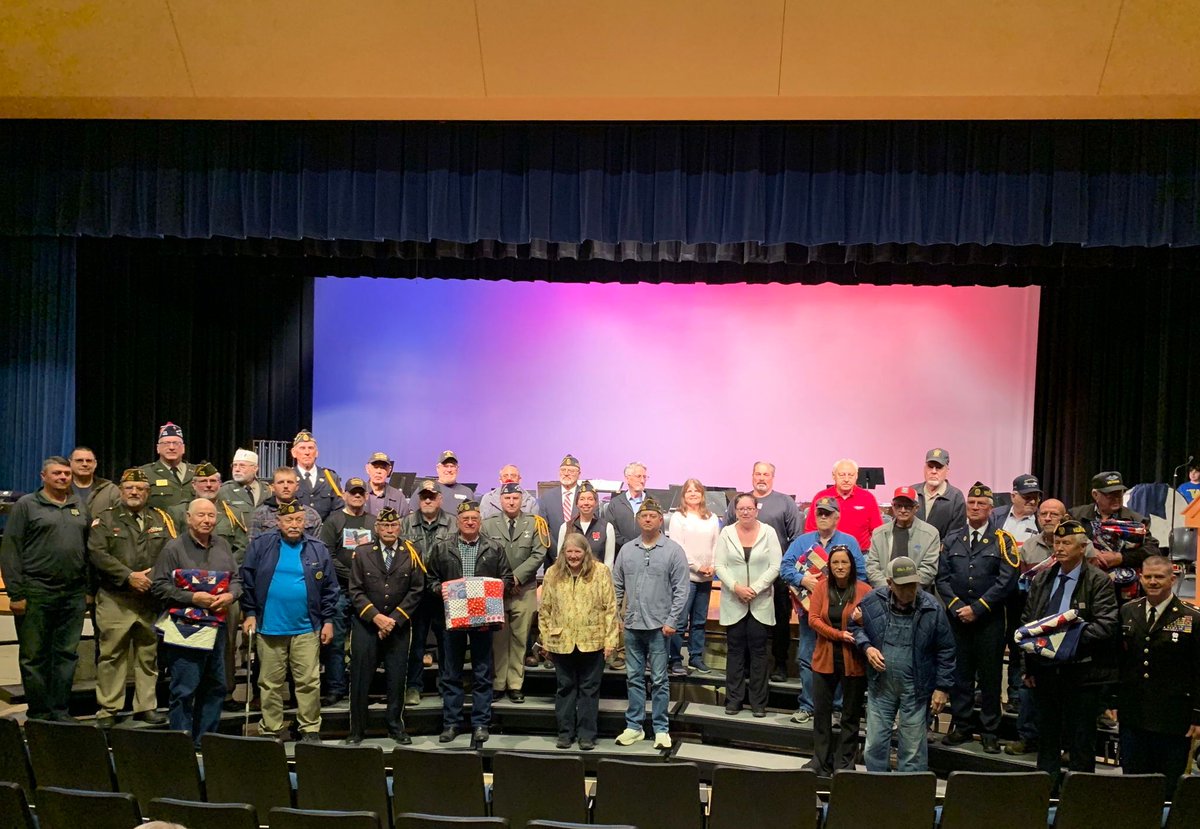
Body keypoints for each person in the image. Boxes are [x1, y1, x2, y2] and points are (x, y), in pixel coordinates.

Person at [1020, 519, 1119, 790]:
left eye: (1067, 543)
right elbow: (1029, 621)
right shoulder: (1043, 578)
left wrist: (1065, 641)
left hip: (1083, 673)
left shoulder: (1098, 580)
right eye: (1057, 543)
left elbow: (1106, 625)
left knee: (1081, 741)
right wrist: (1028, 666)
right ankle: (1044, 794)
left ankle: (1080, 798)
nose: (1060, 548)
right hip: (1046, 671)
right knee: (1047, 738)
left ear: (1083, 548)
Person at [240, 501, 339, 742]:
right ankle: (271, 728)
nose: (294, 525)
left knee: (308, 682)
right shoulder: (262, 545)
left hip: (307, 627)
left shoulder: (317, 548)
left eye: (298, 520)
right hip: (269, 627)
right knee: (270, 683)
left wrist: (327, 620)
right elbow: (247, 580)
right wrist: (250, 613)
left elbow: (330, 589)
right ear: (279, 522)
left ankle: (310, 728)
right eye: (289, 520)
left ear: (305, 522)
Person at [0, 456, 90, 721]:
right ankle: (39, 712)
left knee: (66, 655)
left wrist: (86, 588)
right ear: (43, 476)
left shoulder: (78, 505)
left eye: (66, 474)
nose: (63, 478)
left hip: (72, 594)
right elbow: (11, 551)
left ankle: (60, 710)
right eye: (57, 474)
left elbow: (87, 549)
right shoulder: (27, 505)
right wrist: (16, 593)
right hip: (36, 591)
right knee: (34, 657)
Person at [87, 468, 177, 727]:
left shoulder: (161, 518)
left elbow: (170, 552)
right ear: (121, 491)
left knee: (148, 656)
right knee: (111, 655)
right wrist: (128, 576)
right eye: (129, 488)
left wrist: (152, 578)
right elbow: (98, 554)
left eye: (140, 488)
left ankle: (145, 706)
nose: (134, 492)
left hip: (149, 599)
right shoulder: (105, 519)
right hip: (116, 598)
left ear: (147, 492)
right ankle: (108, 709)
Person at [936, 482, 1020, 753]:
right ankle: (962, 726)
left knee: (990, 677)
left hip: (989, 621)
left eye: (981, 504)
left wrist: (979, 607)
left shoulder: (1003, 540)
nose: (975, 507)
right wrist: (957, 605)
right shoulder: (952, 539)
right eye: (971, 503)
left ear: (990, 509)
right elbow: (942, 578)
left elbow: (1007, 580)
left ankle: (989, 731)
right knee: (961, 676)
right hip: (958, 618)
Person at [152, 498, 241, 747]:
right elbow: (159, 586)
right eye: (201, 515)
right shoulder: (173, 548)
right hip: (185, 628)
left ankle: (205, 741)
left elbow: (236, 579)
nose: (206, 520)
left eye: (211, 516)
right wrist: (193, 597)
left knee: (215, 686)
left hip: (217, 627)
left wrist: (231, 595)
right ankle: (181, 743)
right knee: (184, 689)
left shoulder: (223, 545)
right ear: (188, 518)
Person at [854, 556, 955, 772]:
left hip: (916, 688)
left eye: (913, 584)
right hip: (881, 686)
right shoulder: (873, 600)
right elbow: (856, 626)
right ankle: (876, 790)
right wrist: (867, 648)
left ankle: (908, 798)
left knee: (912, 750)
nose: (910, 591)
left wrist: (942, 688)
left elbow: (946, 649)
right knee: (874, 746)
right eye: (903, 586)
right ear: (889, 583)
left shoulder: (932, 608)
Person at [426, 500, 514, 744]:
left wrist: (493, 590)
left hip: (482, 618)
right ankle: (451, 723)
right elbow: (430, 579)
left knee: (483, 672)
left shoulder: (494, 548)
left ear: (480, 521)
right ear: (458, 521)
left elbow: (506, 577)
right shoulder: (442, 548)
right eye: (465, 519)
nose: (470, 522)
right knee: (451, 672)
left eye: (474, 518)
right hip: (453, 618)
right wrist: (442, 590)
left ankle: (480, 724)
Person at [1117, 555, 1200, 794]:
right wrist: (1112, 700)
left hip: (1173, 717)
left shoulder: (1191, 618)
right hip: (1135, 712)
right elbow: (1119, 661)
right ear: (1141, 578)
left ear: (1172, 580)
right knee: (1133, 783)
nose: (1153, 582)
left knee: (1167, 786)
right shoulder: (1128, 611)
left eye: (1159, 577)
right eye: (1148, 577)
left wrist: (1197, 715)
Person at [780, 495, 866, 724]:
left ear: (837, 516)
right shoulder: (802, 541)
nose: (823, 517)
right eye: (820, 513)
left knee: (839, 660)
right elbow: (785, 567)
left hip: (840, 615)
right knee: (807, 658)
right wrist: (802, 579)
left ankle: (836, 708)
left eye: (828, 513)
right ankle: (808, 706)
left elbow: (862, 576)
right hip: (811, 613)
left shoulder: (850, 542)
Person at [612, 498, 689, 750]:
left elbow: (681, 589)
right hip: (633, 626)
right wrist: (617, 617)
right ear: (638, 519)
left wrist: (672, 621)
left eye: (652, 516)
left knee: (659, 680)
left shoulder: (673, 550)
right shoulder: (627, 550)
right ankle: (634, 726)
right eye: (643, 515)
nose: (647, 519)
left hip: (659, 627)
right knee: (633, 678)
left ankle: (660, 729)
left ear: (660, 520)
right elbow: (617, 585)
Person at [344, 507, 424, 745]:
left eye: (394, 525)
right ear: (376, 528)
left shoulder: (412, 551)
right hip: (366, 625)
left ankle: (395, 726)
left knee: (397, 678)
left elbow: (417, 590)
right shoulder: (363, 552)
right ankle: (356, 730)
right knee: (360, 678)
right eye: (385, 526)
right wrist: (376, 617)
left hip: (398, 626)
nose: (389, 530)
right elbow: (355, 590)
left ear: (400, 527)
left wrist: (395, 619)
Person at [539, 532, 619, 751]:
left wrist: (611, 640)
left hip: (593, 640)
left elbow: (611, 608)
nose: (573, 556)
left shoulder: (601, 572)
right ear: (564, 553)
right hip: (561, 641)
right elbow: (545, 609)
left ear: (586, 552)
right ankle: (565, 733)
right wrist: (545, 639)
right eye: (569, 551)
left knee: (589, 689)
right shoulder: (552, 573)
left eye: (578, 551)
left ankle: (587, 735)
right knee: (565, 688)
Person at [725, 461, 802, 682]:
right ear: (752, 476)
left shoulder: (785, 503)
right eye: (757, 474)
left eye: (766, 474)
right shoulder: (740, 502)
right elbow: (727, 532)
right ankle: (747, 667)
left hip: (776, 575)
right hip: (743, 575)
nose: (761, 478)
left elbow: (795, 538)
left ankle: (779, 664)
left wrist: (785, 570)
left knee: (779, 620)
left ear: (772, 477)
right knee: (746, 622)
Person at [1004, 497, 1069, 755]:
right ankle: (1027, 736)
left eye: (1055, 514)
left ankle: (1065, 744)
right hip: (1035, 625)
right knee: (1029, 682)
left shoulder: (1080, 546)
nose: (1049, 518)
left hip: (1067, 628)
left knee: (1064, 692)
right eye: (1044, 514)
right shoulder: (1029, 548)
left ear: (1064, 517)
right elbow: (1019, 590)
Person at [806, 546, 871, 776]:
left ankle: (844, 763)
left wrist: (862, 622)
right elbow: (813, 620)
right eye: (835, 563)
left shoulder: (865, 590)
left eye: (844, 562)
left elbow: (873, 624)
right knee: (821, 713)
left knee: (850, 715)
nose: (840, 567)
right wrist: (838, 635)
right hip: (824, 659)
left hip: (853, 661)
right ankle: (820, 760)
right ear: (829, 566)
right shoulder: (821, 588)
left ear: (852, 565)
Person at [481, 483, 549, 703]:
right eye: (507, 498)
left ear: (522, 500)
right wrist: (505, 581)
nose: (511, 502)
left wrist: (516, 577)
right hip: (497, 591)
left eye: (515, 498)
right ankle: (499, 683)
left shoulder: (534, 523)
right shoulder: (488, 525)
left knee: (520, 638)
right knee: (499, 640)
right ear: (501, 500)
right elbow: (484, 553)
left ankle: (516, 684)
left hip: (524, 589)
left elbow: (539, 553)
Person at [717, 493, 782, 717]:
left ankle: (758, 703)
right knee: (734, 652)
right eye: (741, 508)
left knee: (759, 654)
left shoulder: (769, 532)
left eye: (749, 508)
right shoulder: (726, 533)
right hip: (734, 600)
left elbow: (775, 566)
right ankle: (733, 700)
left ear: (756, 510)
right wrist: (737, 588)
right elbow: (719, 566)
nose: (745, 512)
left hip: (760, 601)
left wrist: (754, 588)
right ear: (735, 511)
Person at [317, 477, 376, 706]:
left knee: (364, 643)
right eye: (353, 492)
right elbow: (327, 556)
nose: (357, 496)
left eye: (361, 492)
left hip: (366, 592)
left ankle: (362, 687)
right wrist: (352, 575)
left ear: (367, 496)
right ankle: (335, 687)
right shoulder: (333, 521)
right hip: (340, 591)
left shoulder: (373, 522)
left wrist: (364, 578)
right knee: (337, 643)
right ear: (345, 494)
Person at [400, 479, 456, 706]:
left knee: (447, 643)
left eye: (432, 496)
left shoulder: (452, 523)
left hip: (445, 593)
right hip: (416, 594)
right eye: (424, 496)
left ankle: (447, 686)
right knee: (417, 643)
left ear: (440, 499)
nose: (428, 500)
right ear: (418, 499)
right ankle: (413, 687)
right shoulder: (406, 524)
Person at [665, 478, 720, 675]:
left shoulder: (712, 518)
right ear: (683, 495)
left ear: (702, 494)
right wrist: (697, 566)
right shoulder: (679, 517)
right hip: (685, 577)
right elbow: (678, 547)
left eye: (697, 490)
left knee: (699, 621)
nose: (693, 494)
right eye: (689, 491)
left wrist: (713, 566)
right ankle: (675, 659)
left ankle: (696, 657)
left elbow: (716, 544)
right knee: (680, 622)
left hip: (706, 577)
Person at [1070, 471, 1160, 573]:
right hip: (1084, 576)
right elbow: (1064, 542)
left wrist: (1121, 558)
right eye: (1111, 495)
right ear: (1095, 495)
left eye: (1119, 493)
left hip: (1123, 579)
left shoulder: (1137, 520)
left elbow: (1152, 550)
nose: (1116, 499)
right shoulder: (1076, 515)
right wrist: (1088, 551)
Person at [865, 485, 941, 589]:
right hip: (885, 592)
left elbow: (928, 570)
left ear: (916, 508)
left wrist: (906, 590)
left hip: (916, 593)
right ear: (893, 506)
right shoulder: (879, 533)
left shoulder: (931, 534)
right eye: (898, 505)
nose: (903, 510)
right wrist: (890, 588)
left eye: (908, 506)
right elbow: (872, 567)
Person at [803, 459, 883, 551]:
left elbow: (877, 532)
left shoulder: (868, 497)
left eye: (850, 475)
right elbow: (810, 529)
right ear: (833, 476)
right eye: (842, 475)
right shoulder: (821, 497)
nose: (846, 479)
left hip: (860, 554)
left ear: (856, 476)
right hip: (827, 554)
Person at [250, 467, 323, 539]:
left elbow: (317, 547)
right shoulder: (260, 514)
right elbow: (254, 546)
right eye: (280, 482)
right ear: (272, 487)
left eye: (290, 482)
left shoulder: (312, 515)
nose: (285, 486)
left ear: (297, 487)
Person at [913, 447, 966, 540]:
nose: (933, 471)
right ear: (924, 469)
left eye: (939, 467)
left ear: (947, 470)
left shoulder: (956, 497)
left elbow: (956, 533)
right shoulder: (913, 492)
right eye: (930, 466)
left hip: (942, 552)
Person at [139, 422, 194, 511]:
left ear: (183, 448)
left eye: (176, 443)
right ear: (158, 448)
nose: (171, 447)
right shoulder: (145, 473)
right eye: (166, 443)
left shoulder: (197, 472)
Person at [290, 430, 344, 521]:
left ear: (317, 453)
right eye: (302, 448)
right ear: (293, 453)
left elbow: (338, 508)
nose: (307, 452)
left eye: (310, 448)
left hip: (325, 531)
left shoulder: (330, 477)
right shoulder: (289, 477)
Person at [559, 481, 615, 566]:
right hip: (572, 577)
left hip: (597, 577)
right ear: (577, 503)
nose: (586, 503)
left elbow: (609, 562)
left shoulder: (607, 527)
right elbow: (560, 559)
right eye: (582, 499)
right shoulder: (566, 527)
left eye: (590, 499)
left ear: (596, 503)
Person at [538, 454, 581, 560]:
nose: (566, 474)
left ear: (579, 474)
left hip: (581, 557)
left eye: (571, 471)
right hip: (553, 558)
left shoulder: (586, 497)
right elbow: (544, 529)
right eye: (563, 470)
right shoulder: (546, 497)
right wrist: (555, 551)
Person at [411, 450, 475, 513]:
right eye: (445, 466)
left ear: (457, 469)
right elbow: (412, 518)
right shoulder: (425, 490)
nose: (449, 470)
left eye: (452, 466)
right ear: (438, 468)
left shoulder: (467, 492)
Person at [605, 461, 650, 550]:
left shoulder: (652, 502)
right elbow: (611, 531)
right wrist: (630, 546)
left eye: (645, 477)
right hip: (621, 553)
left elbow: (659, 532)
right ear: (627, 479)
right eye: (638, 476)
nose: (642, 480)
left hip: (648, 553)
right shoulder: (615, 503)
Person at [990, 474, 1042, 546]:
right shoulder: (995, 515)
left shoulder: (1043, 519)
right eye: (1027, 497)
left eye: (1035, 498)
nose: (1032, 502)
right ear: (1013, 497)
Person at [219, 448, 270, 520]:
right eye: (235, 465)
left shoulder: (267, 490)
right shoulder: (224, 490)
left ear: (255, 468)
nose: (237, 469)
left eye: (242, 466)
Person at [69, 446, 119, 517]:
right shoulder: (62, 488)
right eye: (79, 460)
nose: (84, 464)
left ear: (95, 464)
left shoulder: (110, 490)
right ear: (70, 463)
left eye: (89, 461)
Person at [364, 451, 411, 518]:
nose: (379, 471)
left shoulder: (398, 497)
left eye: (383, 468)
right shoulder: (358, 493)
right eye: (375, 467)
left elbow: (406, 524)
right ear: (367, 469)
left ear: (389, 470)